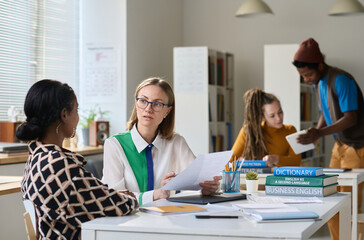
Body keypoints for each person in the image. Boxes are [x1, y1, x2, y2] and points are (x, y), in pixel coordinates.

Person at [17, 79, 138, 240]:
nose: (78, 116)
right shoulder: (60, 166)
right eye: (76, 110)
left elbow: (83, 199)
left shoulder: (36, 159)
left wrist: (110, 196)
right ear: (65, 114)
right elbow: (123, 206)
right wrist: (128, 197)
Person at [102, 77, 221, 205]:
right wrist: (156, 194)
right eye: (143, 101)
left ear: (167, 111)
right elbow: (114, 197)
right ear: (136, 104)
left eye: (157, 104)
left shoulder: (176, 142)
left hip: (165, 219)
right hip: (127, 220)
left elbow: (199, 178)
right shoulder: (114, 144)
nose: (148, 109)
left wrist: (209, 187)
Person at [292, 37, 364, 240]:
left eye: (308, 74)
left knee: (349, 205)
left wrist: (320, 134)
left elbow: (351, 118)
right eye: (302, 75)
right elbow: (326, 111)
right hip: (339, 145)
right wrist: (316, 131)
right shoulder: (318, 82)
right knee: (330, 201)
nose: (306, 79)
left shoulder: (341, 80)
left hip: (357, 147)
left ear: (320, 65)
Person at [231, 88, 301, 167]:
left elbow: (296, 161)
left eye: (280, 112)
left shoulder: (290, 130)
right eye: (272, 116)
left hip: (279, 178)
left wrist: (275, 159)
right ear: (262, 117)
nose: (278, 118)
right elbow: (231, 160)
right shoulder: (248, 132)